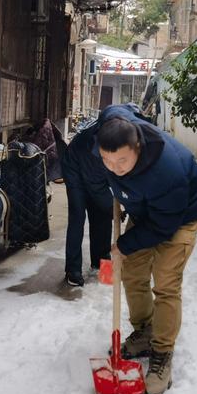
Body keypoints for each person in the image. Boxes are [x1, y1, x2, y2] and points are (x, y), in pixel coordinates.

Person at [94, 110, 197, 394]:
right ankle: (145, 330)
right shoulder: (111, 139)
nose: (114, 168)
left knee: (166, 283)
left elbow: (163, 226)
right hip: (146, 210)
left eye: (122, 161)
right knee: (132, 272)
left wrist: (123, 245)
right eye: (108, 161)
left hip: (178, 217)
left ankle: (162, 354)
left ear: (138, 148)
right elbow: (115, 112)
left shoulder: (168, 171)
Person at [61, 104, 149, 287]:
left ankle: (101, 263)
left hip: (97, 172)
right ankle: (73, 270)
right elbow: (96, 184)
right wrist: (111, 206)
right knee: (78, 215)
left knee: (101, 216)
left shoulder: (127, 130)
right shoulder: (102, 142)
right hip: (76, 166)